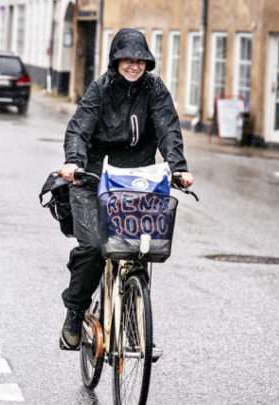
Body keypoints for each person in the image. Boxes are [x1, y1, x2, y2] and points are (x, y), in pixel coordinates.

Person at [58, 28, 194, 349]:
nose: (133, 66)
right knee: (93, 248)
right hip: (92, 180)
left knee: (140, 248)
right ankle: (76, 311)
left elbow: (168, 130)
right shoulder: (100, 88)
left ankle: (134, 322)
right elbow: (79, 128)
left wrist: (178, 168)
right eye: (127, 59)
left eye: (140, 60)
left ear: (147, 62)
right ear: (116, 60)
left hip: (136, 182)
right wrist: (74, 163)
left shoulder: (154, 89)